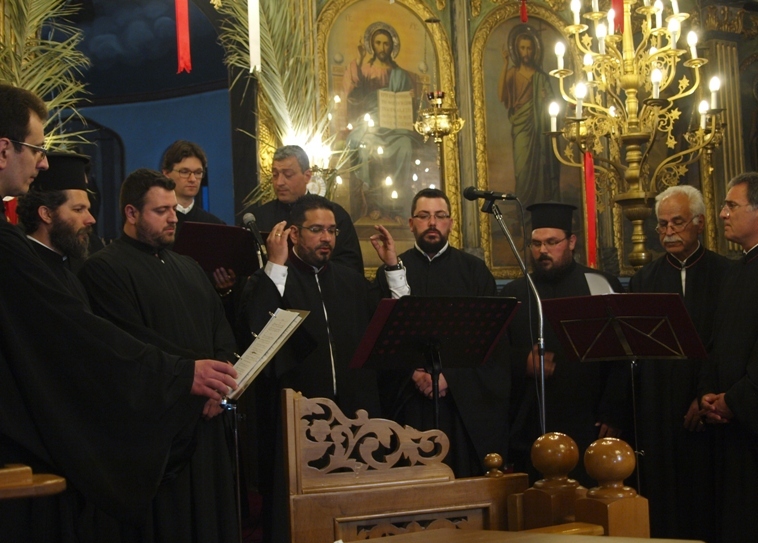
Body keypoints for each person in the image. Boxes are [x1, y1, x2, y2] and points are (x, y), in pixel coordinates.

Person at [0, 83, 237, 542]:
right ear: (5, 149)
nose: (43, 162)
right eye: (37, 149)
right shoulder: (85, 265)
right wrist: (177, 374)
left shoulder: (186, 267)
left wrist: (201, 372)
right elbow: (80, 338)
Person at [77, 169, 239, 542]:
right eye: (161, 211)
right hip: (159, 434)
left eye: (174, 210)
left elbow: (220, 330)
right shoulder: (103, 269)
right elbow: (133, 344)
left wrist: (219, 379)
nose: (172, 218)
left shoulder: (190, 267)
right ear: (131, 213)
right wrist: (197, 381)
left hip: (208, 422)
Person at [238, 193, 407, 543]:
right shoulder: (272, 279)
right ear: (294, 234)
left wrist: (392, 266)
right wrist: (276, 264)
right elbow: (257, 329)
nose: (327, 237)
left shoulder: (351, 281)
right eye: (316, 230)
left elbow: (396, 325)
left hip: (355, 417)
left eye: (331, 230)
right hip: (299, 421)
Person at [375, 188, 509, 477]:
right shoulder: (391, 270)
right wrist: (413, 373)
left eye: (440, 216)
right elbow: (380, 338)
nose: (432, 223)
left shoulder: (474, 272)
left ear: (451, 222)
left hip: (460, 403)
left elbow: (491, 341)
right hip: (409, 399)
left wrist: (451, 377)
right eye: (424, 216)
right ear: (411, 223)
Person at [500, 202, 628, 487]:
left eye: (552, 242)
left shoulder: (599, 285)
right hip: (533, 423)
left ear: (571, 242)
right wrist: (523, 362)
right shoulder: (515, 293)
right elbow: (496, 354)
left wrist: (613, 411)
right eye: (536, 243)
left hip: (589, 420)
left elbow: (622, 355)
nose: (542, 251)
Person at [628, 186, 728, 541]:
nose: (668, 231)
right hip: (659, 407)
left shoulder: (726, 274)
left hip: (712, 405)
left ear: (699, 223)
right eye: (662, 224)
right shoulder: (643, 280)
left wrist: (705, 394)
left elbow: (726, 344)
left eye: (677, 222)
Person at [699, 172, 758, 543]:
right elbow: (718, 341)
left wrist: (735, 401)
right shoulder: (736, 271)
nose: (722, 213)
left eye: (732, 205)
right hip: (729, 423)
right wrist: (709, 394)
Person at [343, 25, 420, 219]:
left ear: (392, 47)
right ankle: (373, 202)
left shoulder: (401, 74)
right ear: (372, 45)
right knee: (364, 146)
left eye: (386, 44)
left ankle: (396, 204)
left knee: (405, 146)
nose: (382, 47)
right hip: (371, 122)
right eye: (378, 43)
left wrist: (411, 98)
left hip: (395, 125)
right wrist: (360, 60)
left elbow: (414, 107)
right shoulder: (364, 70)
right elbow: (354, 97)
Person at [251, 145, 364, 274]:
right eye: (275, 175)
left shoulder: (335, 215)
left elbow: (351, 270)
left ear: (307, 176)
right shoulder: (257, 219)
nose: (279, 182)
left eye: (288, 175)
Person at [16, 152, 95, 306]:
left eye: (88, 209)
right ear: (46, 214)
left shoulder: (70, 275)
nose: (91, 219)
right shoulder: (23, 269)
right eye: (78, 209)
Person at [498, 30, 559, 206]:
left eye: (529, 48)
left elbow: (553, 105)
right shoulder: (512, 73)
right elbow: (501, 96)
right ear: (517, 50)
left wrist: (545, 99)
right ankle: (523, 208)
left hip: (539, 127)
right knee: (522, 170)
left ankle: (540, 209)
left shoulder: (541, 77)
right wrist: (505, 64)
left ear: (534, 51)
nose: (526, 52)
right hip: (521, 126)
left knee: (540, 167)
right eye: (522, 48)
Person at [161, 140, 224, 229]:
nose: (193, 179)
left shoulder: (215, 226)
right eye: (184, 172)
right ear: (166, 174)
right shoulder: (155, 224)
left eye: (198, 172)